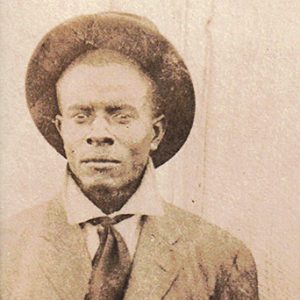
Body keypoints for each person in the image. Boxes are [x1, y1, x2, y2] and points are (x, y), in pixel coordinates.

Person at [1, 12, 259, 299]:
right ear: (61, 129)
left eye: (121, 116)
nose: (98, 133)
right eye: (81, 116)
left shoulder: (220, 258)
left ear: (156, 132)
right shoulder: (8, 248)